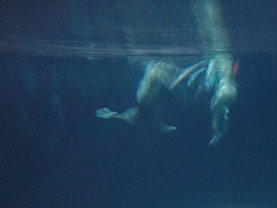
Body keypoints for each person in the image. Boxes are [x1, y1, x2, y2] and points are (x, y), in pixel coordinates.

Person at [95, 55, 238, 146]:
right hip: (196, 89)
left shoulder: (221, 79)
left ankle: (137, 119)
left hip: (194, 91)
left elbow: (223, 94)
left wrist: (216, 125)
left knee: (154, 75)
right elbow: (223, 94)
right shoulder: (221, 78)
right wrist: (216, 125)